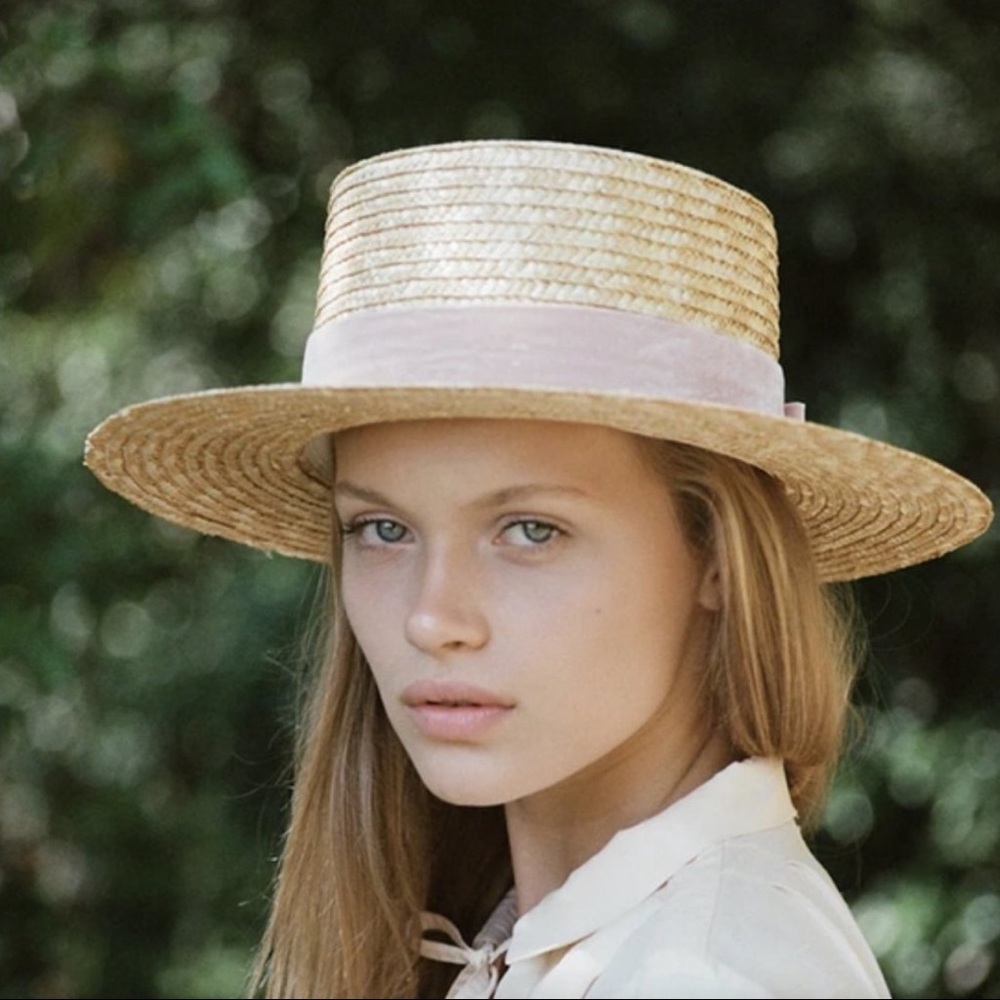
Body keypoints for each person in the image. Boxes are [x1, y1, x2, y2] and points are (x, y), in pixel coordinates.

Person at [84, 140, 992, 999]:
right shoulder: (540, 940)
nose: (431, 619)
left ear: (714, 553)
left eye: (528, 529)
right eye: (381, 529)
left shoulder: (711, 976)